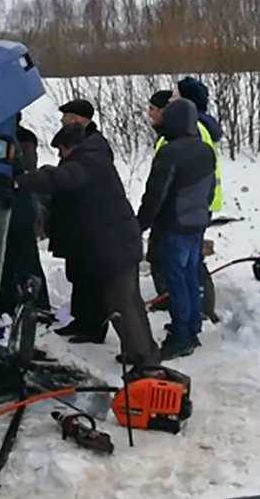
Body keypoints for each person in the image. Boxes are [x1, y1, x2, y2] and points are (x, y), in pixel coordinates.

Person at [15, 123, 160, 367]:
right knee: (129, 302)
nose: (60, 157)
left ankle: (146, 362)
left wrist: (22, 181)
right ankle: (140, 352)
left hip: (115, 246)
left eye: (61, 152)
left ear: (70, 147)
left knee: (122, 304)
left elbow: (61, 177)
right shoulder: (95, 156)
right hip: (121, 241)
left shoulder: (87, 163)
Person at [137, 98, 216, 360]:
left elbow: (155, 194)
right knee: (191, 277)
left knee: (177, 281)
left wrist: (140, 224)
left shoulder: (170, 152)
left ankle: (182, 335)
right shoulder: (205, 150)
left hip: (174, 225)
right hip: (196, 224)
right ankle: (192, 326)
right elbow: (210, 189)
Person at [47, 99, 110, 342]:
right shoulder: (79, 141)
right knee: (77, 273)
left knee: (90, 276)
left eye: (66, 116)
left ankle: (94, 325)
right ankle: (81, 319)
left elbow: (74, 177)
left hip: (90, 222)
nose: (62, 120)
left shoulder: (94, 146)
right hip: (76, 221)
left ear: (75, 118)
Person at [0, 118, 51, 317]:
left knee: (21, 259)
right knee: (20, 259)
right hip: (17, 209)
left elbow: (24, 172)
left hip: (16, 209)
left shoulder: (17, 141)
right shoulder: (23, 139)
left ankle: (33, 304)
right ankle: (23, 302)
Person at [145, 89, 175, 310]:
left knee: (177, 259)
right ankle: (166, 297)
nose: (150, 114)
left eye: (153, 109)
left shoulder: (177, 138)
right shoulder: (166, 136)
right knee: (159, 255)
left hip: (177, 209)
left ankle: (174, 299)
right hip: (175, 207)